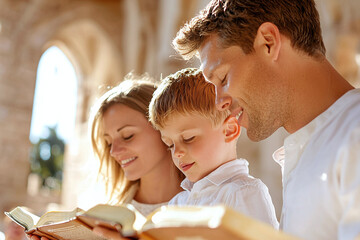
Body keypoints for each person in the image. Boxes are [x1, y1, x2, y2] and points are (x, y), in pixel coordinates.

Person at [172, 0, 360, 239]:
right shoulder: (309, 149)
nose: (219, 102)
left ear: (268, 42)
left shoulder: (354, 133)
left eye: (222, 78)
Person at [29, 74, 184, 240]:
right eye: (109, 143)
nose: (114, 152)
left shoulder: (208, 203)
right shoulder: (106, 219)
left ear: (163, 128)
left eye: (127, 135)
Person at [148, 67, 279, 229]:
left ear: (229, 130)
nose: (177, 152)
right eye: (170, 145)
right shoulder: (177, 203)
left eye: (188, 138)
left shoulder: (242, 193)